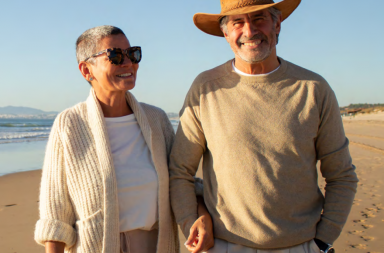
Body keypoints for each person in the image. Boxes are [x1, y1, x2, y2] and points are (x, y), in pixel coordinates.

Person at [169, 0, 358, 252]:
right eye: (238, 22)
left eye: (259, 19)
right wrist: (190, 223)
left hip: (301, 245)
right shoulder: (205, 88)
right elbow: (180, 171)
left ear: (277, 24)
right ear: (225, 33)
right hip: (226, 246)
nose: (249, 31)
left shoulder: (313, 89)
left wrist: (324, 240)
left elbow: (341, 175)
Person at [34, 25, 212, 253]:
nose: (128, 62)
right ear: (86, 70)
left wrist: (203, 215)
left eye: (133, 53)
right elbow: (56, 214)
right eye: (115, 56)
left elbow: (181, 180)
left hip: (155, 245)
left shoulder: (156, 120)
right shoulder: (69, 124)